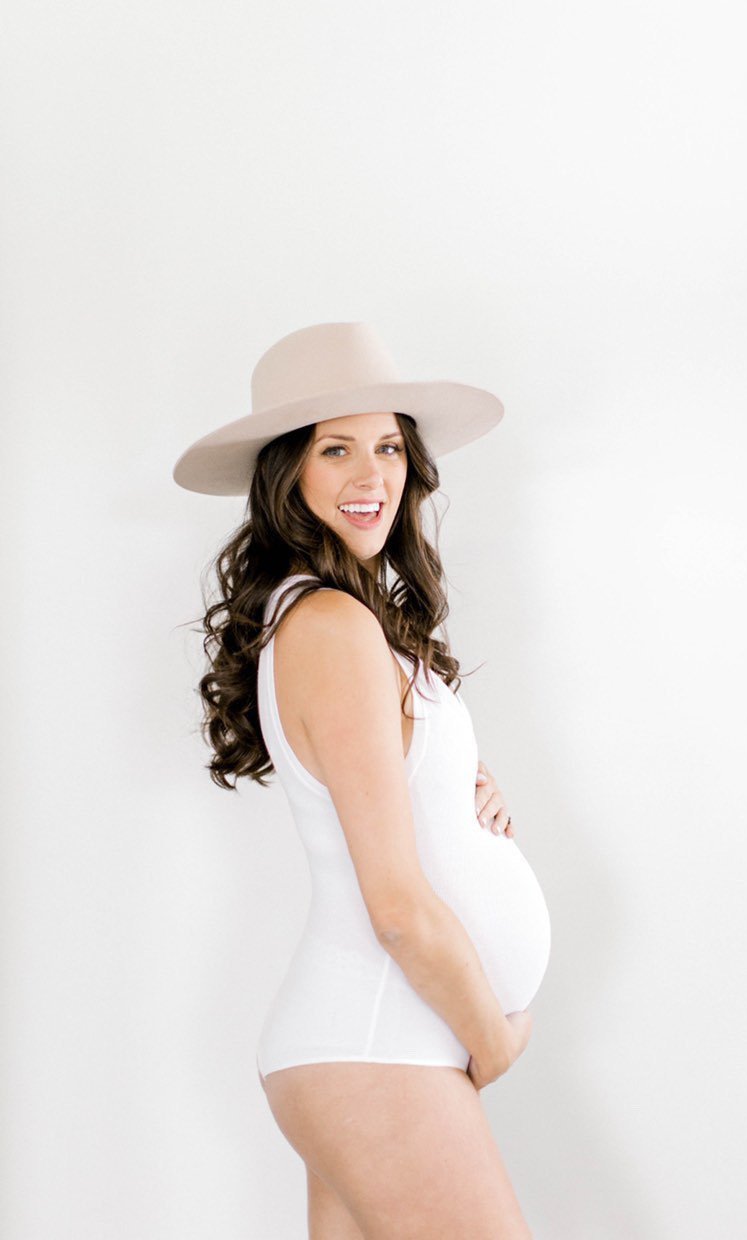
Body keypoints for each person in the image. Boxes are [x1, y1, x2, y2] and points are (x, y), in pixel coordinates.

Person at [173, 322, 552, 1238]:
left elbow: (398, 801)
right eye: (334, 449)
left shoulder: (342, 623)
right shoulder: (333, 625)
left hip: (369, 1042)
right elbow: (395, 904)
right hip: (380, 1039)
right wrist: (493, 1037)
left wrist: (467, 788)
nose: (371, 475)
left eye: (387, 446)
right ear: (287, 476)